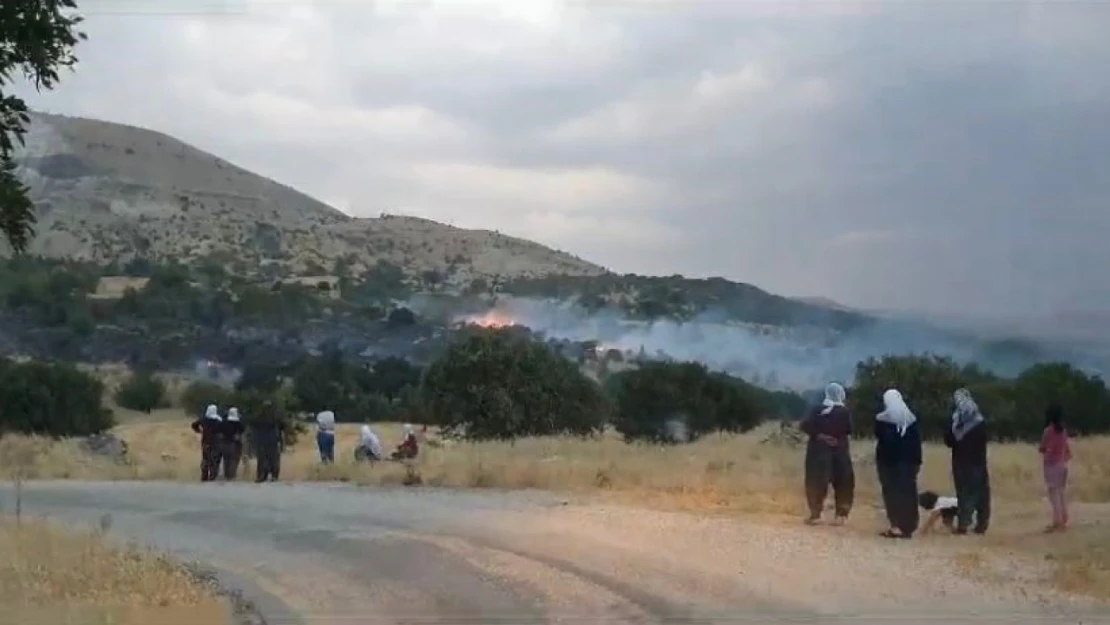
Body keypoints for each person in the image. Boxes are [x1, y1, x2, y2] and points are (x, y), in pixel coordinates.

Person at [798, 382, 854, 525]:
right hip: (840, 450)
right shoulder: (844, 412)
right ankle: (841, 515)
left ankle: (816, 514)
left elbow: (804, 425)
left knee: (816, 481)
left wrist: (821, 436)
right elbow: (848, 430)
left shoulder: (817, 409)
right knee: (843, 482)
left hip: (818, 451)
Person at [874, 389, 923, 539]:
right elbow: (916, 443)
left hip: (888, 464)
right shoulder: (912, 419)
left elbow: (881, 439)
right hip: (909, 463)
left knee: (892, 494)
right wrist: (917, 462)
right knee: (908, 494)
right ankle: (909, 526)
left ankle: (896, 526)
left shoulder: (882, 420)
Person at [943, 388, 991, 535]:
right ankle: (982, 524)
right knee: (982, 494)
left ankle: (963, 524)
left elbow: (949, 441)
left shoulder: (956, 422)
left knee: (964, 494)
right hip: (979, 462)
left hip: (961, 463)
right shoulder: (979, 421)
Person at [1038, 403, 1072, 533]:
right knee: (1061, 492)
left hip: (1051, 465)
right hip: (1062, 464)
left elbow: (1042, 447)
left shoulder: (1048, 431)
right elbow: (1067, 449)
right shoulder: (1063, 431)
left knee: (1054, 494)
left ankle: (1057, 521)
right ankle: (1064, 518)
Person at [252, 401, 285, 483]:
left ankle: (262, 475)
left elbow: (254, 427)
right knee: (273, 459)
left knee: (262, 459)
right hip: (272, 439)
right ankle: (274, 476)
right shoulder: (275, 416)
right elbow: (281, 427)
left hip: (262, 440)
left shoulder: (258, 416)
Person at [190, 404, 223, 482]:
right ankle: (212, 477)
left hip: (206, 441)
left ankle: (204, 477)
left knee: (205, 459)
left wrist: (199, 431)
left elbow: (194, 425)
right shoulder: (218, 420)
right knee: (214, 459)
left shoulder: (203, 420)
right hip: (216, 442)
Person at [221, 407, 246, 481]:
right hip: (235, 443)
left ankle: (226, 474)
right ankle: (231, 475)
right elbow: (242, 430)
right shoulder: (238, 423)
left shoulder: (224, 422)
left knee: (226, 460)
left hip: (225, 442)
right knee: (234, 459)